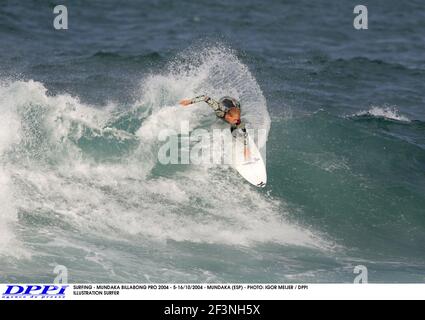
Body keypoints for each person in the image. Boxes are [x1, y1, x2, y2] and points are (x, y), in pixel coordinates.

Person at [179, 95, 250, 158]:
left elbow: (244, 133)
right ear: (228, 116)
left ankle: (237, 137)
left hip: (235, 105)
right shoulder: (218, 108)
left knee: (236, 127)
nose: (237, 121)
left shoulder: (237, 119)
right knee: (233, 125)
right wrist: (189, 101)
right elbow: (205, 98)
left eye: (237, 119)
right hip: (225, 99)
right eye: (234, 119)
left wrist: (246, 148)